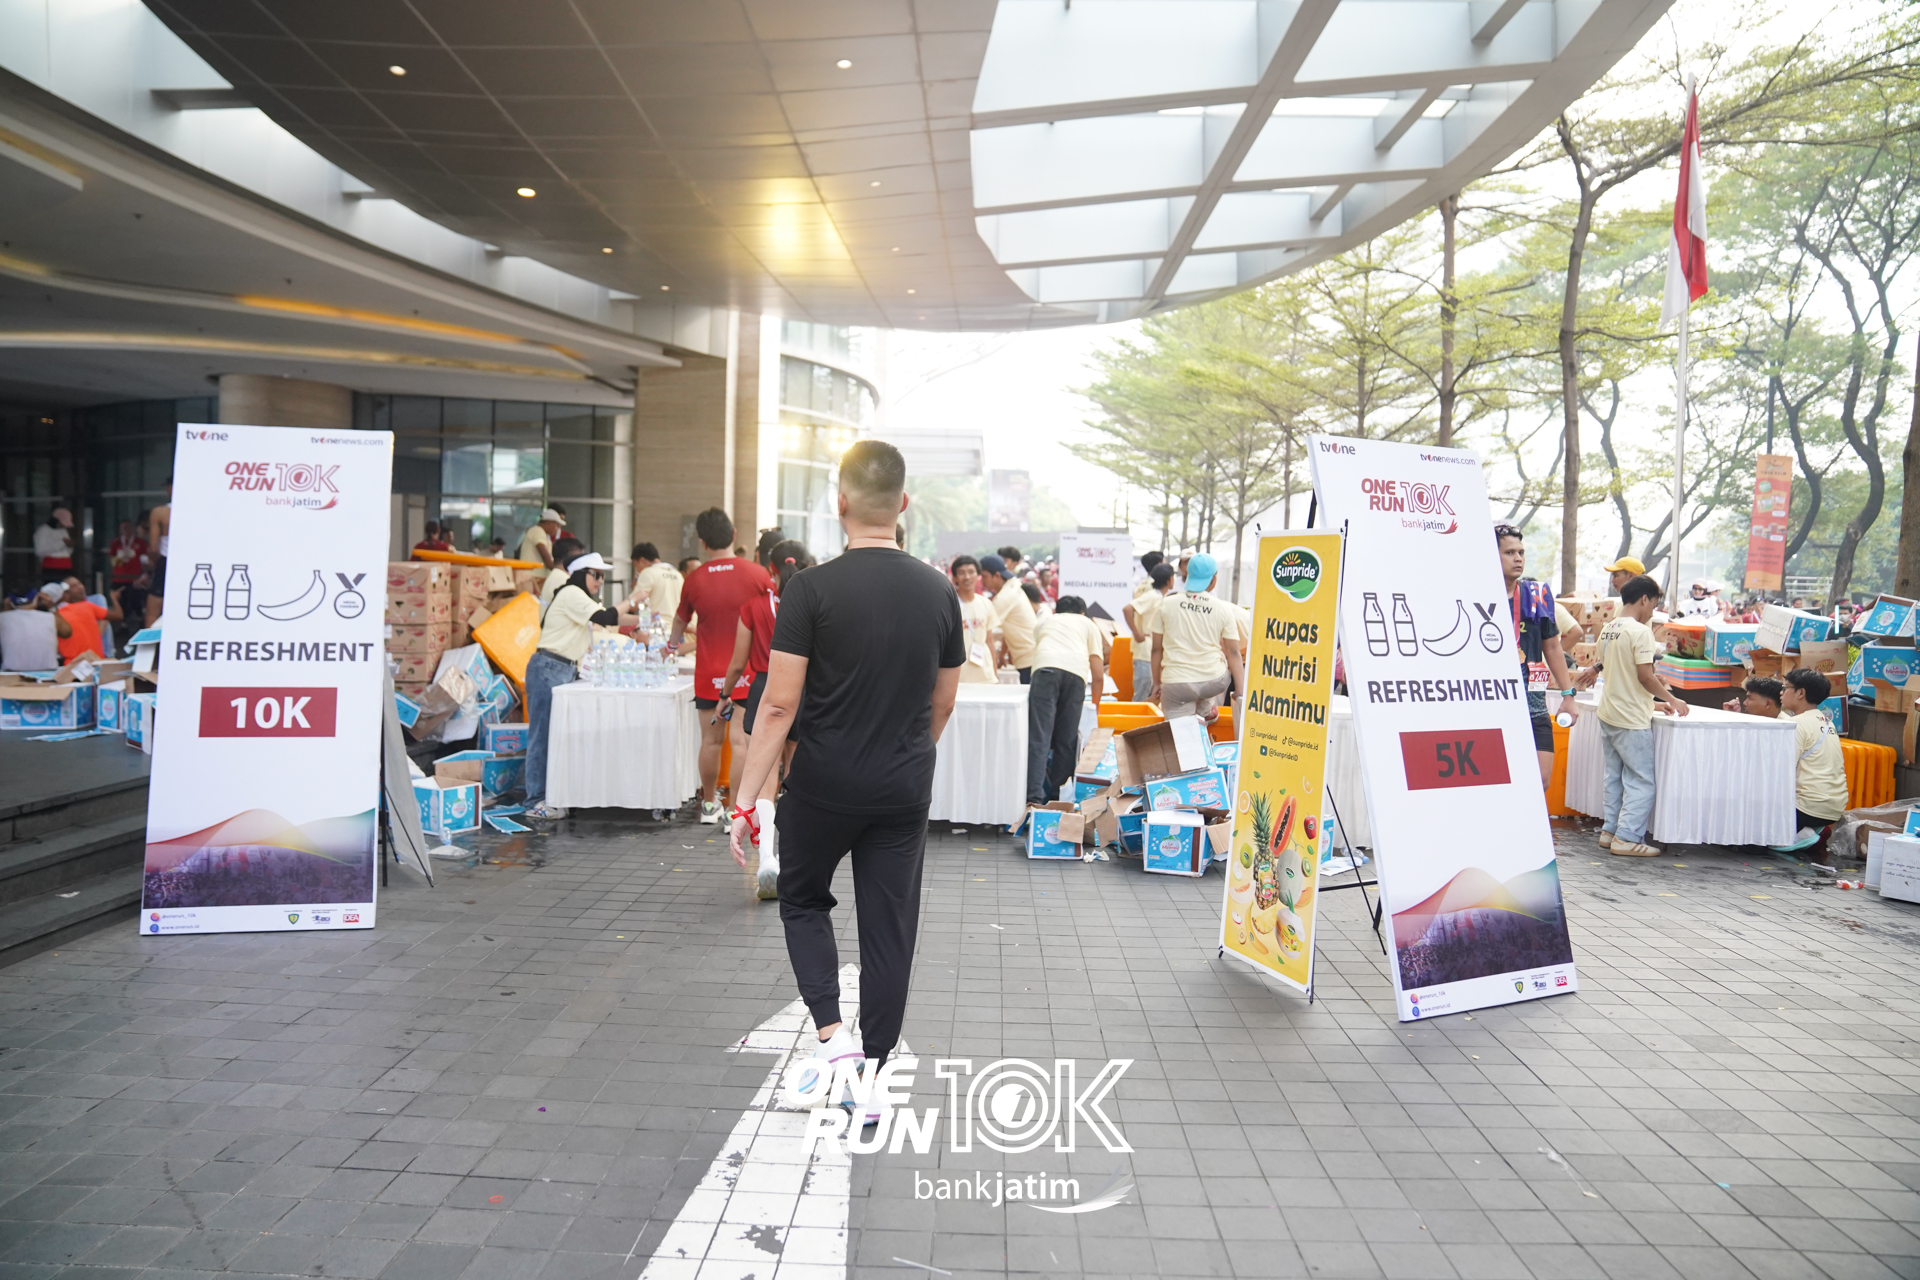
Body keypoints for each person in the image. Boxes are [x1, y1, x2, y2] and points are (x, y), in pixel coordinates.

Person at [728, 439, 963, 1129]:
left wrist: (746, 801)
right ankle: (875, 1074)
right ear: (903, 504)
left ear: (840, 504)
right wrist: (907, 754)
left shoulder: (810, 590)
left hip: (823, 784)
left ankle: (833, 1038)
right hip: (902, 788)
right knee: (890, 929)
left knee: (802, 898)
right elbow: (944, 702)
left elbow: (778, 707)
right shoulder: (940, 591)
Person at [669, 507, 773, 822]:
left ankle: (708, 805)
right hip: (747, 673)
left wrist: (671, 646)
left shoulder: (694, 579)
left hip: (709, 673)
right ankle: (734, 811)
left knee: (710, 741)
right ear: (734, 535)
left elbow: (680, 620)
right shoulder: (758, 574)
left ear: (702, 543)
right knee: (741, 742)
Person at [523, 553, 631, 822]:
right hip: (550, 668)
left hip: (561, 669)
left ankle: (554, 795)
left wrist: (641, 619)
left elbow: (609, 618)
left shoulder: (575, 596)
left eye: (602, 576)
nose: (600, 581)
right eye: (596, 575)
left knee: (558, 737)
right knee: (542, 737)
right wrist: (634, 598)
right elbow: (606, 617)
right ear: (582, 574)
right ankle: (535, 800)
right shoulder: (572, 593)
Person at [1593, 575, 1689, 858]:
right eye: (1654, 605)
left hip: (1609, 712)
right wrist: (1671, 699)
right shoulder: (1640, 631)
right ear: (1644, 599)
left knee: (1614, 776)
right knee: (1641, 780)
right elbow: (1645, 676)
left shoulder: (1608, 629)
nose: (1652, 612)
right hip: (1630, 720)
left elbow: (1620, 675)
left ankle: (1610, 831)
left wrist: (1653, 705)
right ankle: (1626, 837)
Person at [1497, 524, 1580, 786]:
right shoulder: (1477, 596)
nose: (1518, 558)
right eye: (1509, 552)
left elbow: (1553, 647)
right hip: (1495, 706)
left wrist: (1568, 695)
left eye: (1521, 552)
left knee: (1541, 780)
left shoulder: (1537, 595)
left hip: (1534, 704)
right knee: (1502, 780)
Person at [1026, 596, 1106, 805]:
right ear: (1082, 613)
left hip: (1045, 670)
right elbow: (1098, 675)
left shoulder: (1046, 621)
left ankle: (1033, 799)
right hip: (1075, 674)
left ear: (1057, 611)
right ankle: (1059, 798)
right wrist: (1095, 706)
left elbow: (1040, 649)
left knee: (1039, 737)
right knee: (1067, 739)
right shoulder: (1088, 624)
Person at [1149, 552, 1246, 721]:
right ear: (1213, 579)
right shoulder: (1223, 608)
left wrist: (1157, 684)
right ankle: (1204, 710)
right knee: (1214, 670)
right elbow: (1233, 652)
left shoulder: (1166, 604)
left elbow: (1156, 649)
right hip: (1213, 680)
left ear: (1187, 575)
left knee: (1180, 732)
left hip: (1177, 683)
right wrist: (1240, 691)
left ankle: (1198, 714)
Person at [979, 554, 1036, 682]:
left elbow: (983, 630)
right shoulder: (1013, 584)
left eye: (984, 576)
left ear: (997, 575)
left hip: (1028, 658)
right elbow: (1009, 627)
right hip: (1030, 654)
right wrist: (1002, 652)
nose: (982, 581)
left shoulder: (1004, 599)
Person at [1124, 556, 1173, 701]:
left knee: (1150, 696)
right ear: (1169, 580)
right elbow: (1127, 609)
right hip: (1144, 653)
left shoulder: (1159, 597)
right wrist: (1137, 633)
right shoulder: (1152, 596)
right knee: (1141, 696)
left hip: (1150, 653)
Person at [949, 555, 999, 684]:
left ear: (978, 575)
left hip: (985, 676)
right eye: (961, 573)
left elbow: (990, 641)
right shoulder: (949, 606)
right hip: (960, 678)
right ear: (955, 578)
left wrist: (994, 673)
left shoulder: (986, 603)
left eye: (971, 572)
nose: (967, 577)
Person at [0, 589, 67, 671]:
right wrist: (51, 607)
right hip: (47, 674)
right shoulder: (50, 617)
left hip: (11, 675)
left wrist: (6, 609)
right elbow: (66, 632)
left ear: (9, 601)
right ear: (37, 598)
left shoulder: (3, 618)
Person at [56, 576, 120, 662]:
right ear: (65, 594)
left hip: (95, 661)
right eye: (74, 586)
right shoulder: (57, 614)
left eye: (80, 583)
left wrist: (114, 599)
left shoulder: (89, 606)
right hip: (74, 663)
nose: (80, 587)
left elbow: (118, 616)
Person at [624, 541, 684, 631]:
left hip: (656, 630)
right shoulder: (677, 574)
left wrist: (634, 589)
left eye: (636, 566)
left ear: (642, 561)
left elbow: (633, 605)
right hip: (677, 630)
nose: (637, 570)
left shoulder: (648, 573)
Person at [145, 479, 172, 627]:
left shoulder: (160, 512)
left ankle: (151, 641)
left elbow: (153, 547)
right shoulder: (200, 511)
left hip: (166, 560)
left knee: (154, 609)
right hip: (192, 562)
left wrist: (152, 564)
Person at [537, 536, 587, 615]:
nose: (582, 563)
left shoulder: (556, 576)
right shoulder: (563, 580)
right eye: (579, 559)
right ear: (569, 559)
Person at [34, 508, 75, 584]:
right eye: (61, 523)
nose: (63, 526)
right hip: (51, 568)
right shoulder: (43, 531)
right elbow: (40, 551)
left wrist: (69, 546)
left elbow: (67, 552)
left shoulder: (63, 530)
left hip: (66, 566)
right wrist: (62, 543)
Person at [107, 520, 148, 587]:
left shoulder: (141, 542)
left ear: (133, 528)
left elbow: (145, 560)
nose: (126, 530)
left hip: (135, 578)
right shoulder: (115, 543)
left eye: (128, 527)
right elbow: (112, 562)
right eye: (124, 528)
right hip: (119, 578)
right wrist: (121, 558)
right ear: (120, 529)